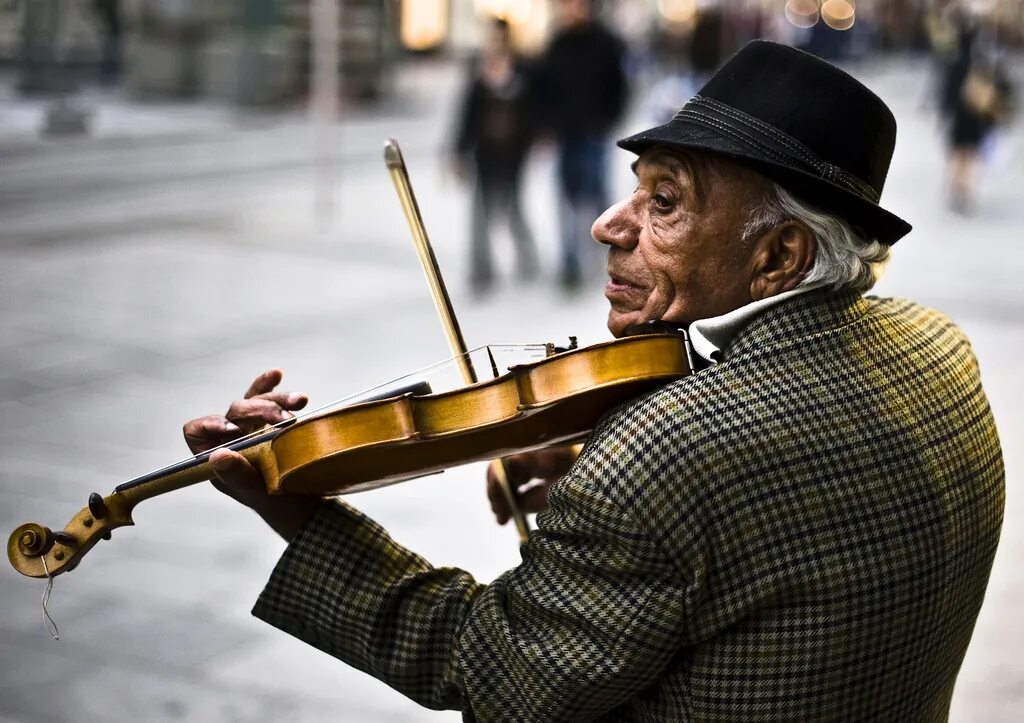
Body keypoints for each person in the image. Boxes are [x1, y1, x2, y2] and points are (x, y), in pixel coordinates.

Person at [184, 42, 1004, 720]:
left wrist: (294, 510)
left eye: (666, 202)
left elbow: (489, 675)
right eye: (635, 189)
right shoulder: (937, 345)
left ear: (778, 257)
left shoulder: (668, 454)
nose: (607, 225)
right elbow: (795, 511)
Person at [534, 0, 628, 290]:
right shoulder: (556, 43)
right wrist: (546, 125)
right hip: (566, 135)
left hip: (593, 135)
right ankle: (570, 263)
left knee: (597, 196)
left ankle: (611, 257)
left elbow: (619, 87)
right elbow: (543, 88)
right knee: (566, 199)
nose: (571, 9)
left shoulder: (605, 41)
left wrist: (606, 121)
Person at [451, 17, 539, 294]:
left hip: (513, 154)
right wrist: (458, 151)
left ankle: (528, 261)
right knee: (480, 213)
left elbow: (533, 109)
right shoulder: (478, 70)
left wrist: (532, 138)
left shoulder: (523, 68)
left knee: (514, 208)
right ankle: (482, 270)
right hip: (484, 153)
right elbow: (467, 114)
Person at [940, 12, 1012, 212]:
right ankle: (964, 190)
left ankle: (956, 188)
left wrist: (946, 112)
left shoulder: (955, 62)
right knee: (969, 155)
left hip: (960, 117)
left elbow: (948, 93)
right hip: (973, 117)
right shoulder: (981, 64)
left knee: (959, 154)